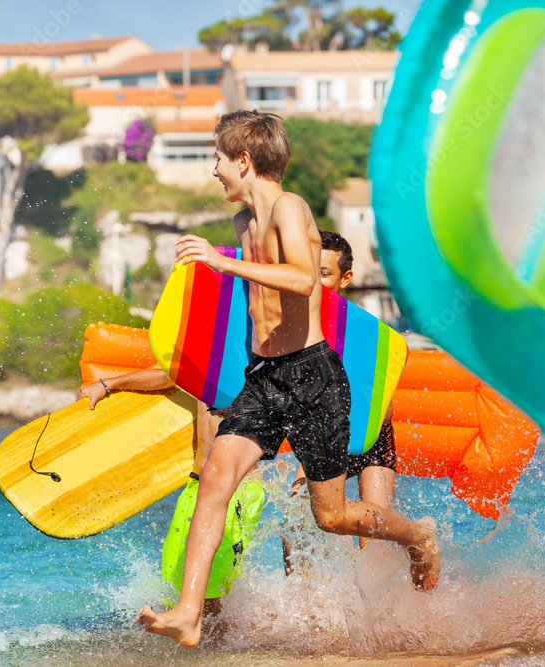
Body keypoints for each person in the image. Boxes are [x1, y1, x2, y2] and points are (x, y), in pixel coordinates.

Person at [137, 109, 439, 647]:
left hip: (311, 377)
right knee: (215, 479)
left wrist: (223, 264)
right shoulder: (243, 225)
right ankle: (189, 612)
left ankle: (418, 536)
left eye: (218, 160)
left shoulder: (289, 209)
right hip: (263, 377)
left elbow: (303, 279)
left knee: (332, 515)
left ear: (245, 162)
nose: (214, 171)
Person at [78, 370, 265, 621]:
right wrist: (108, 384)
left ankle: (213, 654)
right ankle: (205, 645)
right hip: (199, 487)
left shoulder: (258, 360)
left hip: (231, 490)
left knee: (208, 588)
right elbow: (173, 372)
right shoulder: (212, 358)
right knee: (178, 579)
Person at [283, 231, 397, 574]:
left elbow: (386, 408)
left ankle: (384, 612)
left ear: (346, 278)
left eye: (324, 274)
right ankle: (306, 612)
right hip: (324, 434)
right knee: (296, 523)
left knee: (373, 533)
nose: (313, 281)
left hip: (371, 435)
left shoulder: (366, 333)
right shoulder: (294, 329)